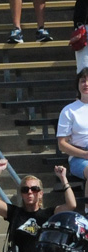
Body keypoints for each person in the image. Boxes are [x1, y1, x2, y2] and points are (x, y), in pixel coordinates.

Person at [0, 158, 76, 252]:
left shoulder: (49, 214)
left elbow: (71, 205)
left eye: (34, 189)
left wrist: (63, 178)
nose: (30, 192)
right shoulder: (15, 213)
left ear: (41, 193)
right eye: (25, 189)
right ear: (21, 194)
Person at [56, 69, 88, 202]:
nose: (86, 84)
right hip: (79, 158)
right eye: (83, 81)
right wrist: (85, 154)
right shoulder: (69, 110)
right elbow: (62, 144)